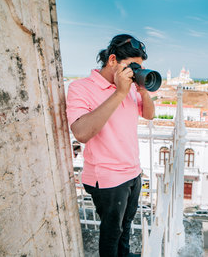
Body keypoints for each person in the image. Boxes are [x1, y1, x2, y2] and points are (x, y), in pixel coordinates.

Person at [66, 34, 155, 256]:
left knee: (126, 227)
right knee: (111, 233)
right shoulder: (81, 88)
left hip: (133, 172)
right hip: (107, 178)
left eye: (139, 67)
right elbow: (81, 133)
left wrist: (142, 89)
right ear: (112, 60)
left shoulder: (131, 87)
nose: (135, 71)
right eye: (131, 66)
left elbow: (150, 115)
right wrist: (120, 92)